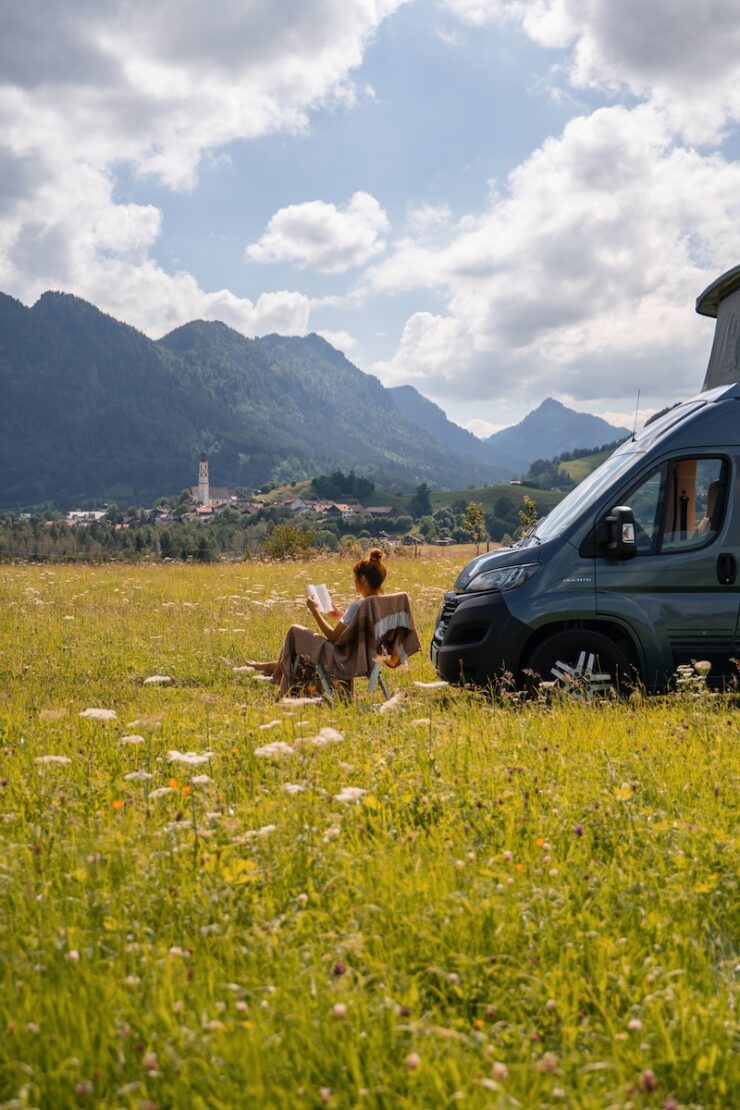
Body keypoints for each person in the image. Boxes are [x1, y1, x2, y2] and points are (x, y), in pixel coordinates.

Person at [247, 548, 387, 684]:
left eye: (355, 579)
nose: (354, 582)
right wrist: (339, 615)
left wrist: (315, 612)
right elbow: (360, 629)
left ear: (362, 579)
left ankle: (276, 675)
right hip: (366, 659)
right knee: (297, 635)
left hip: (342, 660)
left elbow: (333, 637)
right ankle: (271, 667)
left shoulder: (359, 606)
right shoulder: (382, 605)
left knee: (294, 631)